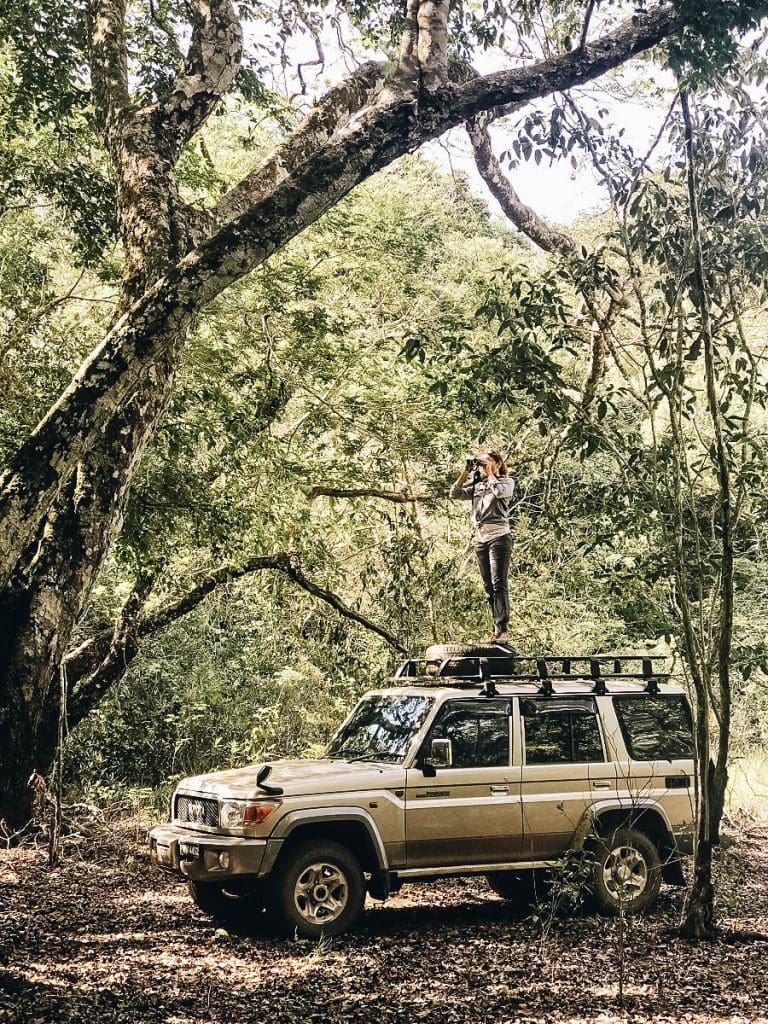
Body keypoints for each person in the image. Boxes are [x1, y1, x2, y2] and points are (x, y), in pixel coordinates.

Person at [449, 450, 515, 643]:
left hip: (499, 537)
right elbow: (455, 493)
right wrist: (465, 472)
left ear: (496, 464)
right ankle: (495, 629)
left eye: (487, 463)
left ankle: (502, 630)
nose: (483, 467)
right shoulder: (478, 485)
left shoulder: (505, 482)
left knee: (498, 583)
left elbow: (499, 492)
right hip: (480, 538)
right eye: (482, 464)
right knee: (488, 586)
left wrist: (492, 473)